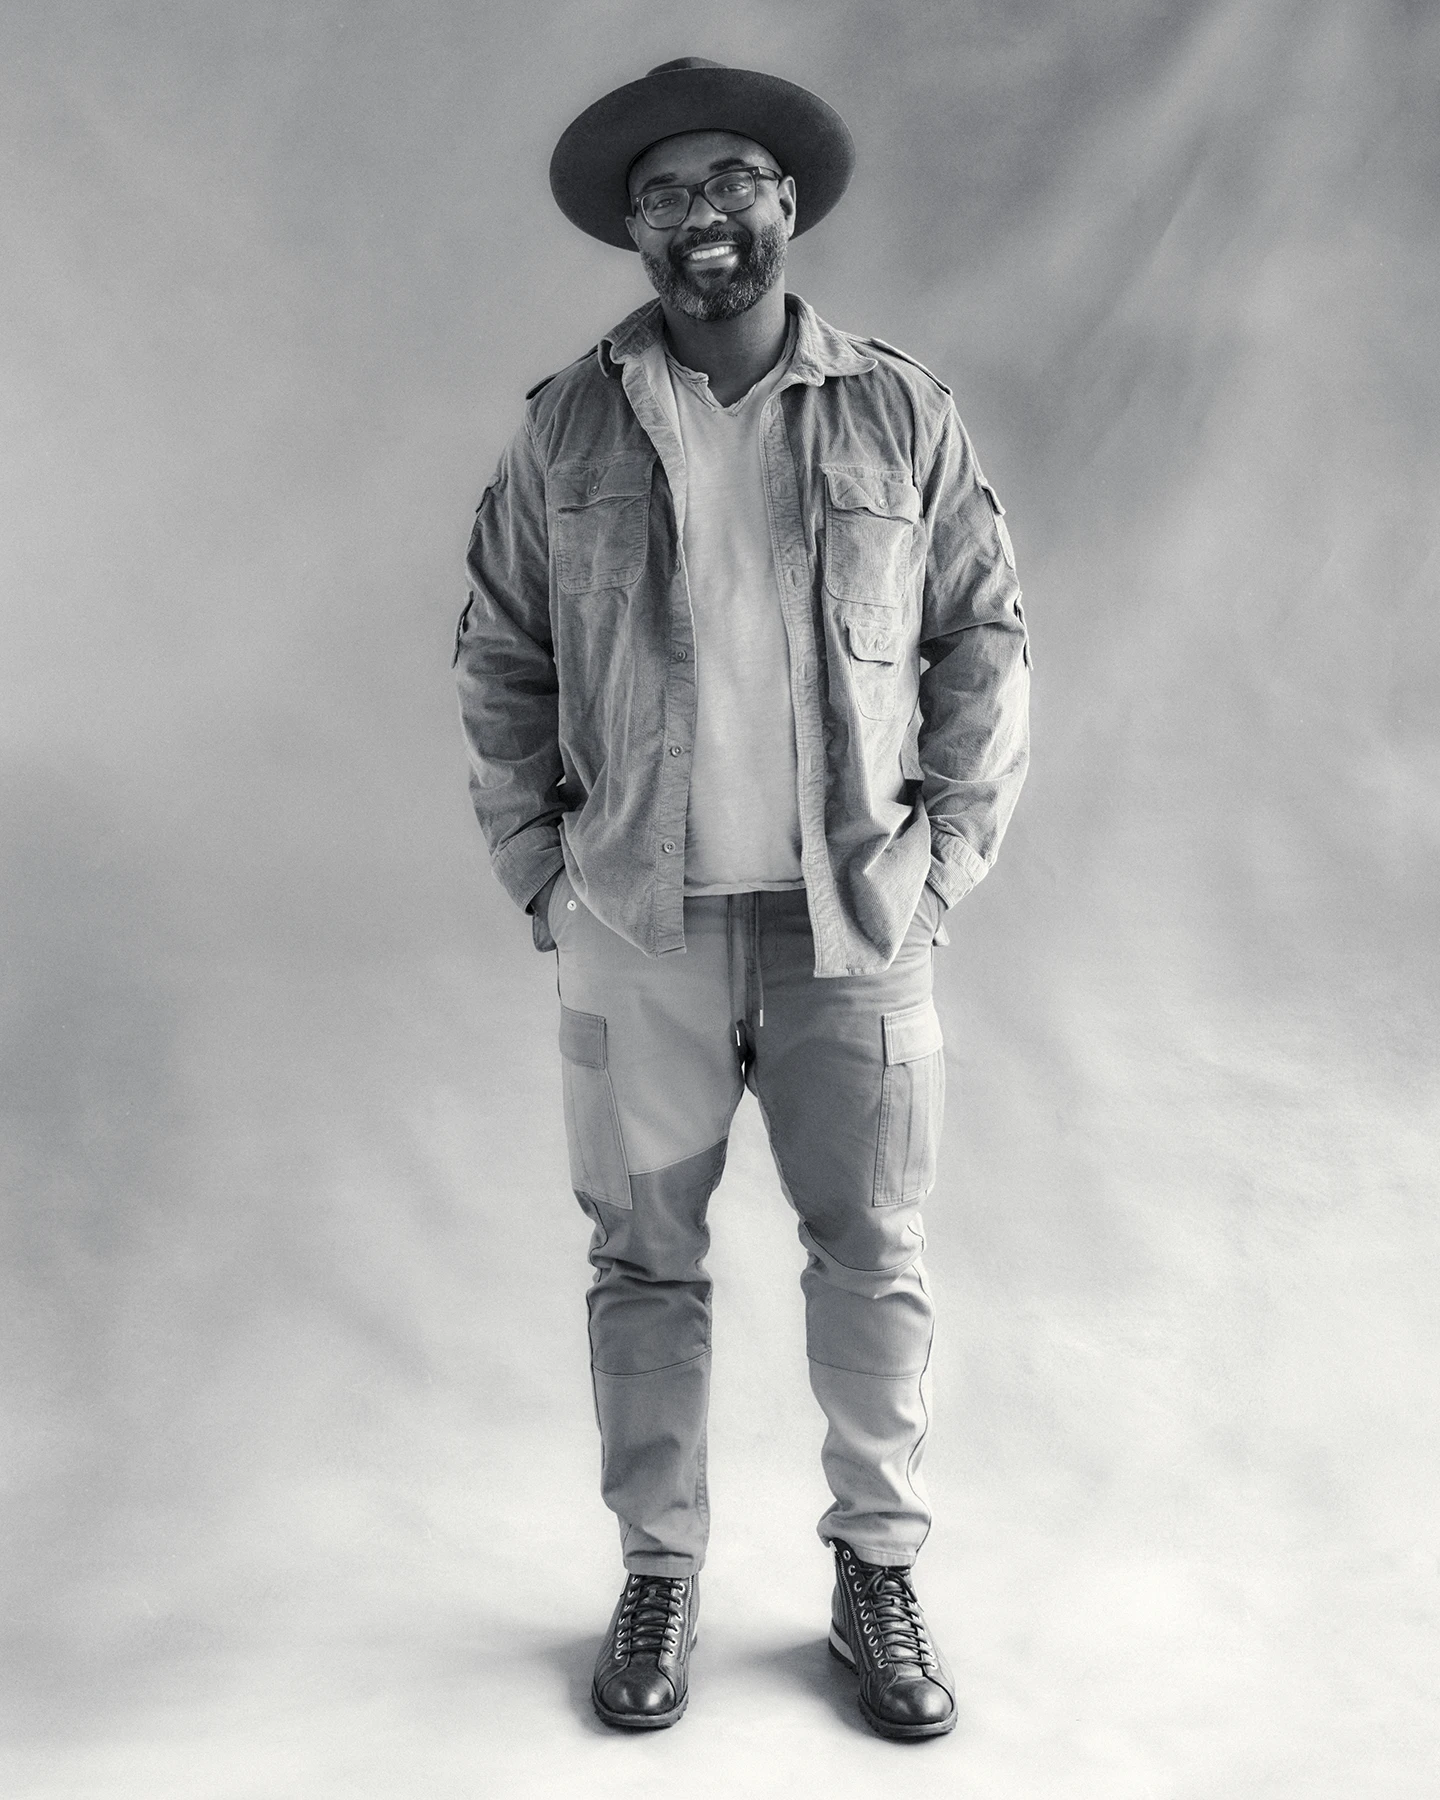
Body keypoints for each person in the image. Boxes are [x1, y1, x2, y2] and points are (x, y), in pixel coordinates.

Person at [453, 57, 1030, 1740]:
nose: (704, 215)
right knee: (643, 1263)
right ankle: (659, 1567)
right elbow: (498, 647)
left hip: (852, 918)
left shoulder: (896, 411)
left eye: (734, 182)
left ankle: (878, 1568)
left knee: (874, 1251)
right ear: (631, 229)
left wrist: (948, 852)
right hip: (641, 923)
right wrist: (537, 865)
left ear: (786, 205)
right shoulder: (566, 423)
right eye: (665, 193)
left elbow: (983, 632)